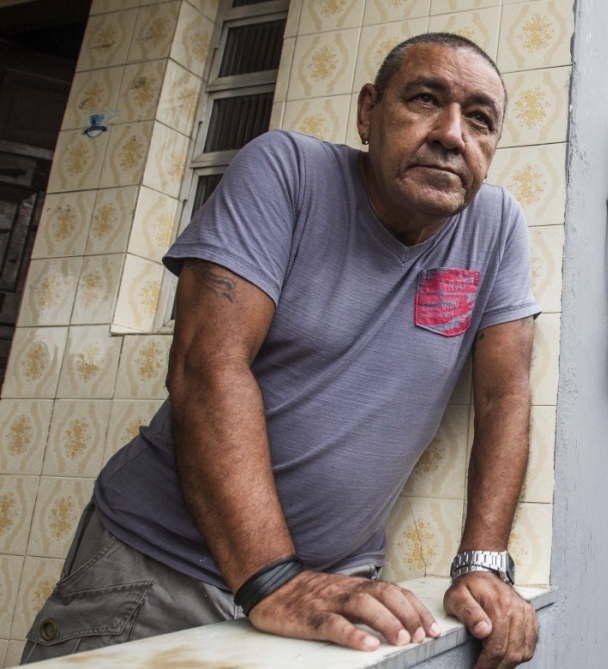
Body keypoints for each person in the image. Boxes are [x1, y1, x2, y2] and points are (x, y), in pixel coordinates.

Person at [22, 33, 541, 669]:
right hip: (162, 574)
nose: (452, 133)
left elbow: (504, 393)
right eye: (426, 100)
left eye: (480, 119)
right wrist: (273, 577)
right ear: (368, 112)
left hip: (335, 588)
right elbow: (206, 365)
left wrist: (484, 564)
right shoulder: (286, 171)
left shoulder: (496, 227)